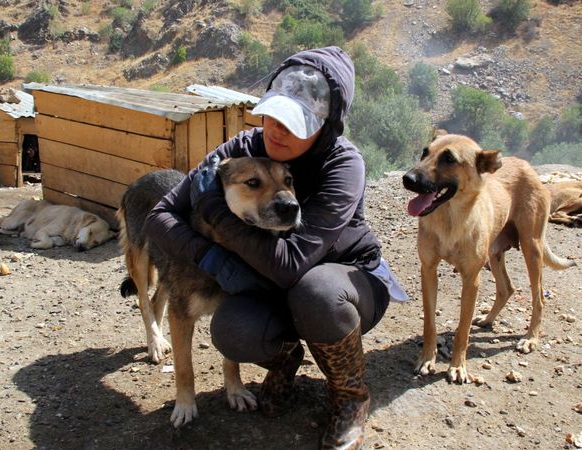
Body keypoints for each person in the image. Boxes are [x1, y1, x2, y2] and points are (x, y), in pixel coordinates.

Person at [146, 46, 407, 450]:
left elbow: (290, 266)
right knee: (233, 327)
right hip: (271, 281)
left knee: (315, 291)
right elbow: (159, 216)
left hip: (345, 287)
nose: (276, 130)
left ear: (326, 124)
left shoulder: (343, 164)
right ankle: (285, 359)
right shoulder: (241, 148)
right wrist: (206, 255)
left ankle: (351, 399)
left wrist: (214, 204)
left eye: (296, 122)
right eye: (273, 114)